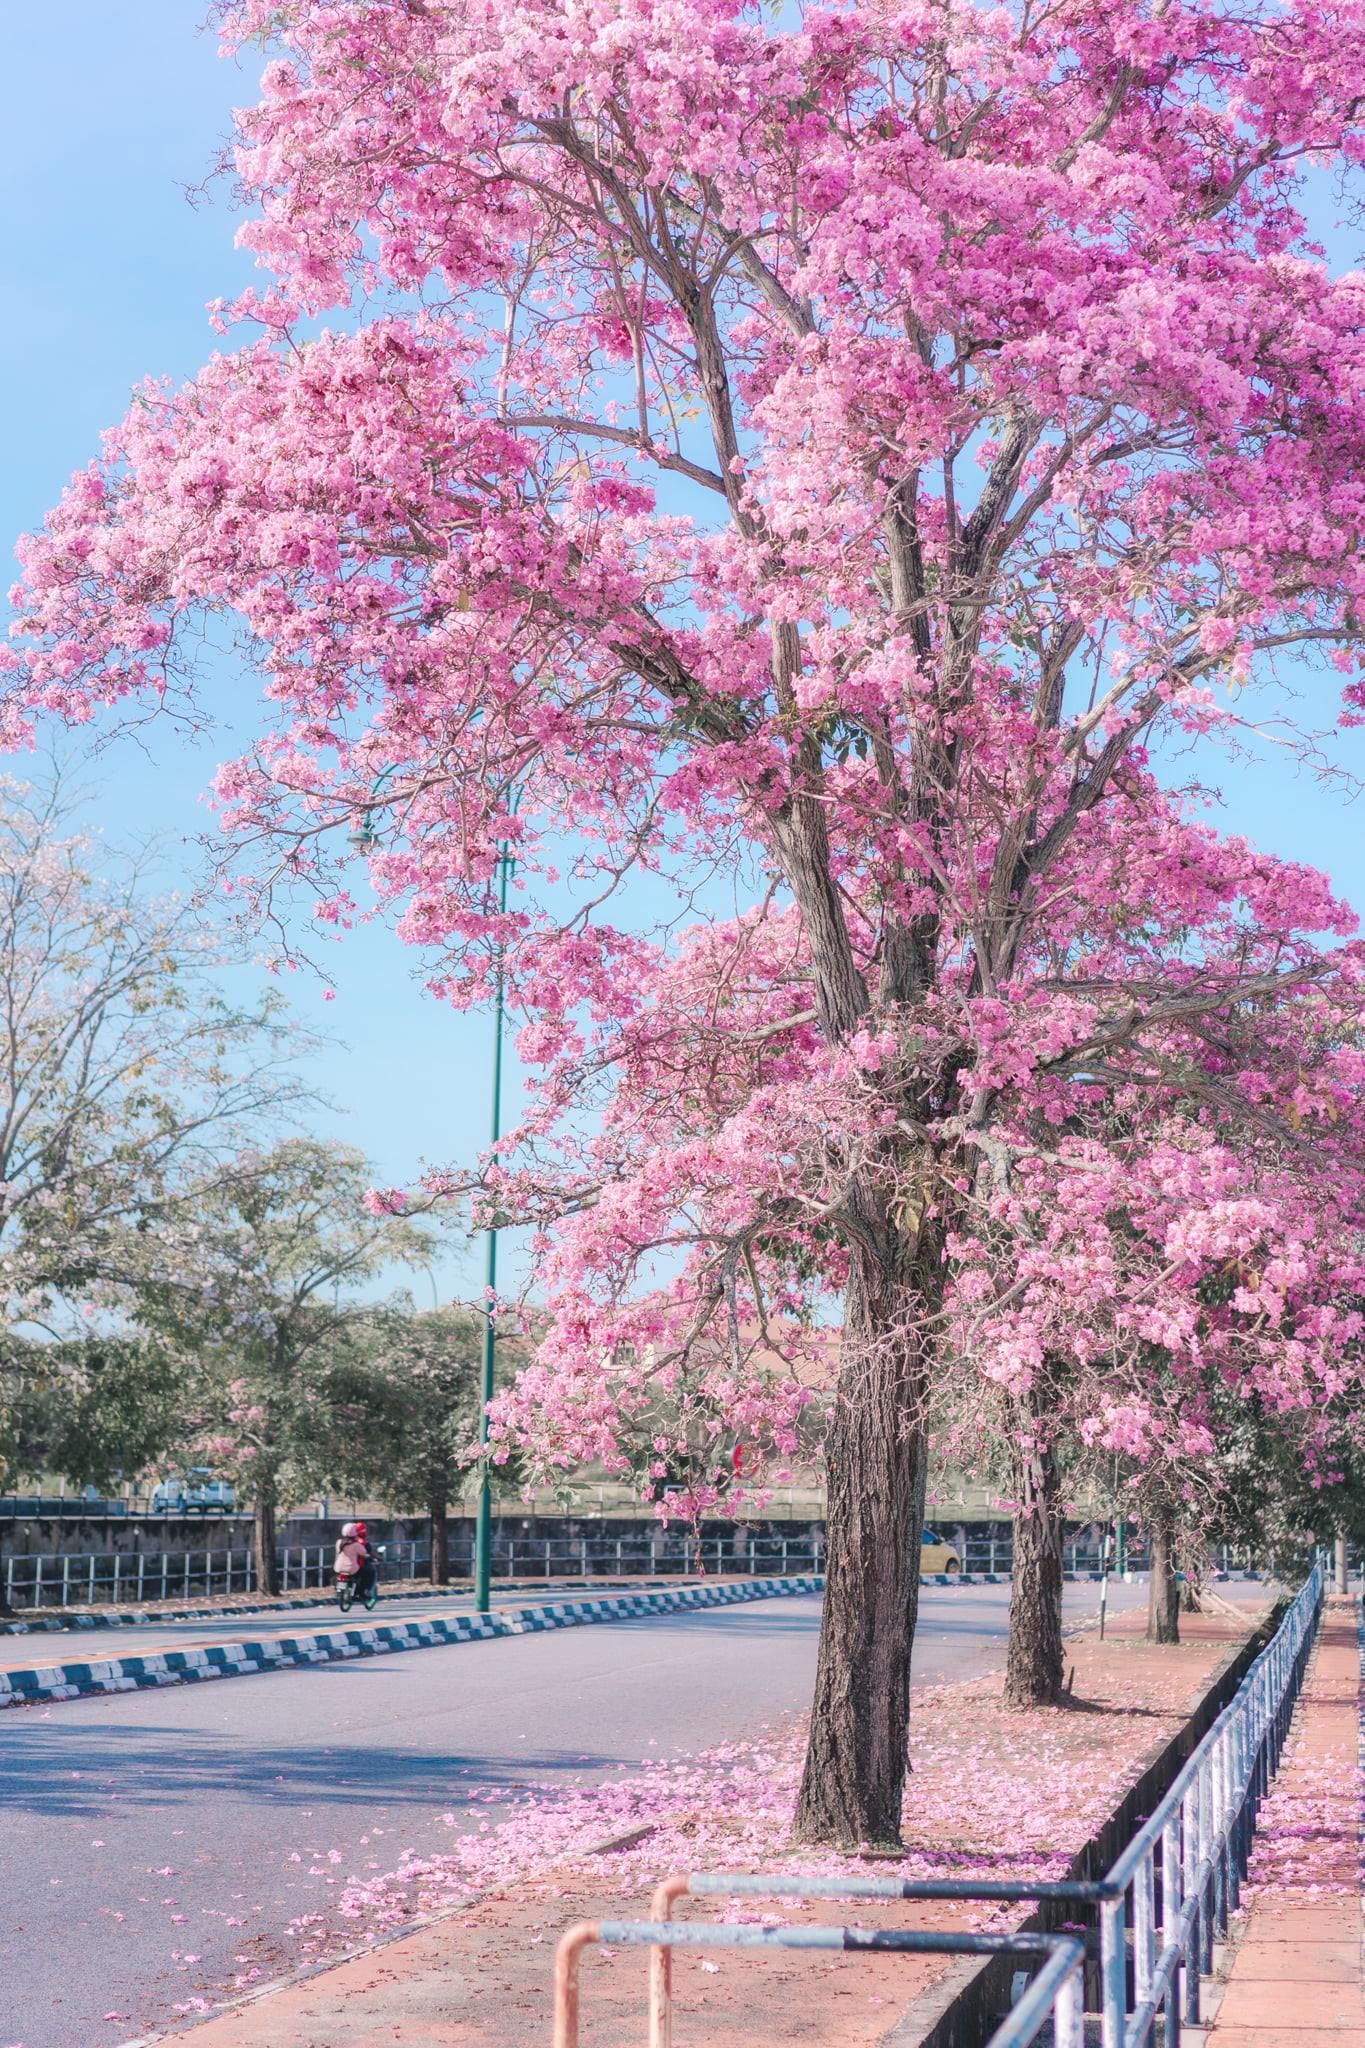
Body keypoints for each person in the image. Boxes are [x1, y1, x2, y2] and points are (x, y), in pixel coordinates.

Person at [334, 1520, 376, 1597]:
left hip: (338, 1568)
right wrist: (370, 1557)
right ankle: (365, 1591)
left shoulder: (339, 1542)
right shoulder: (356, 1545)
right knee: (370, 1572)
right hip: (352, 1568)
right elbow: (364, 1553)